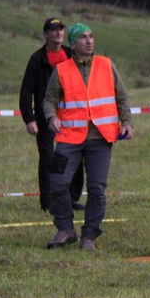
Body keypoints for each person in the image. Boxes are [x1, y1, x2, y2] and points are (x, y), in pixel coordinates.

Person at [42, 23, 134, 250]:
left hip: (100, 138)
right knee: (56, 183)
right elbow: (49, 100)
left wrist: (127, 122)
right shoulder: (62, 70)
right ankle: (65, 229)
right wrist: (51, 117)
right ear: (73, 44)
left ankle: (89, 236)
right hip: (69, 138)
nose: (89, 41)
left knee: (96, 189)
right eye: (83, 37)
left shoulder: (106, 65)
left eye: (91, 36)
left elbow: (121, 97)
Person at [19, 18, 85, 212]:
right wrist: (29, 118)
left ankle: (72, 198)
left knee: (75, 157)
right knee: (47, 158)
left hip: (71, 115)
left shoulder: (70, 54)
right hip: (45, 117)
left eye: (61, 30)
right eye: (54, 30)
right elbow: (26, 91)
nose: (58, 33)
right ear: (46, 34)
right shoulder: (37, 59)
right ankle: (47, 202)